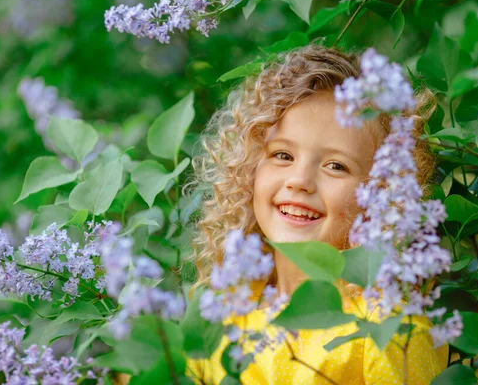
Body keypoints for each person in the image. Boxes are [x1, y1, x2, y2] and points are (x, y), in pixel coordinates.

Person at [184, 44, 448, 384]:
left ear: (383, 193)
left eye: (336, 166)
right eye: (282, 155)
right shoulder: (223, 311)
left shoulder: (387, 328)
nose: (300, 181)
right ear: (249, 168)